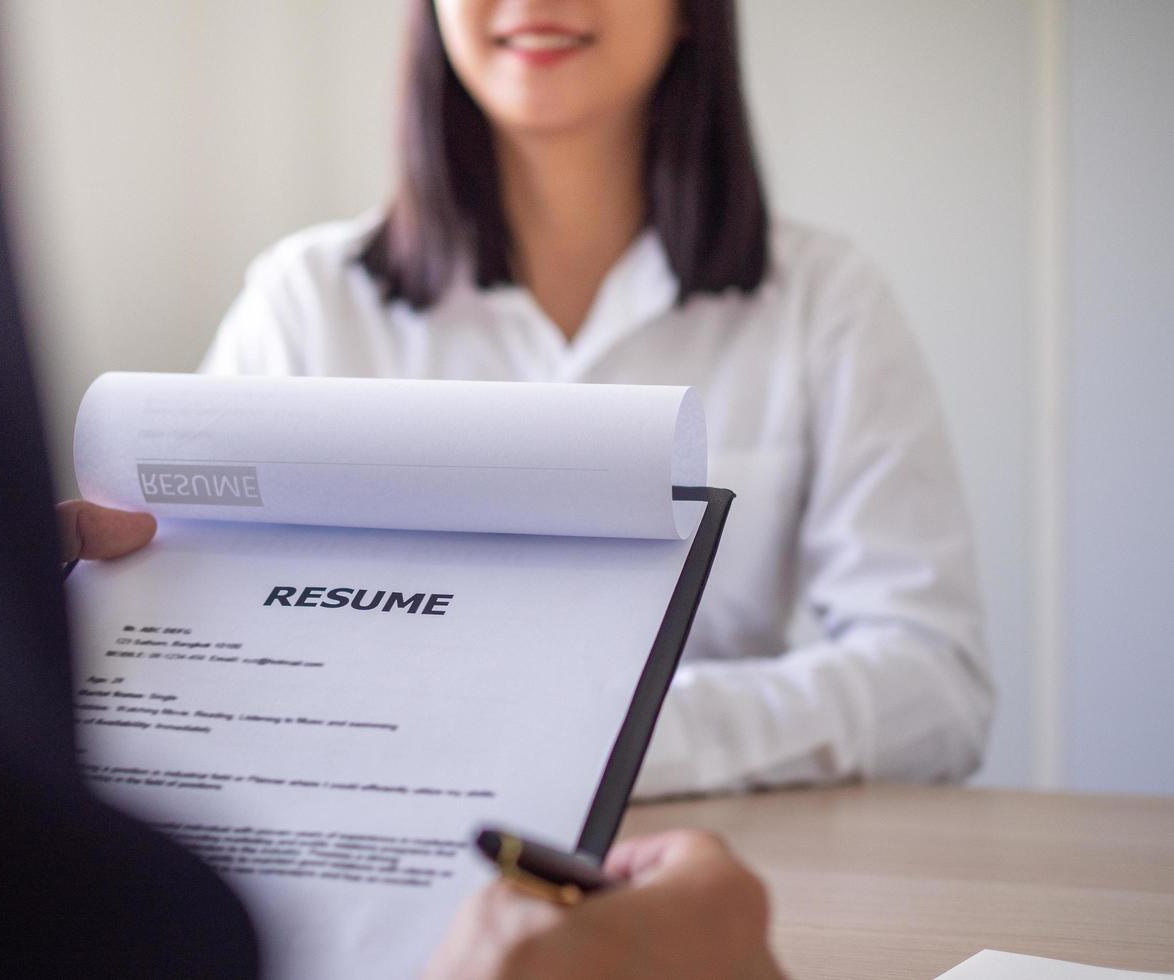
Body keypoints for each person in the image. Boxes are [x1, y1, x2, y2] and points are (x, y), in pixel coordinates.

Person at [0, 3, 783, 976]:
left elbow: (931, 667)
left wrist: (604, 733)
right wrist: (9, 655)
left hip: (723, 846)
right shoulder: (302, 294)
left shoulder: (822, 303)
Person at [202, 0, 993, 796]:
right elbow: (205, 650)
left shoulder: (825, 302)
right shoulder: (303, 307)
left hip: (708, 865)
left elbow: (935, 688)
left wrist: (630, 734)